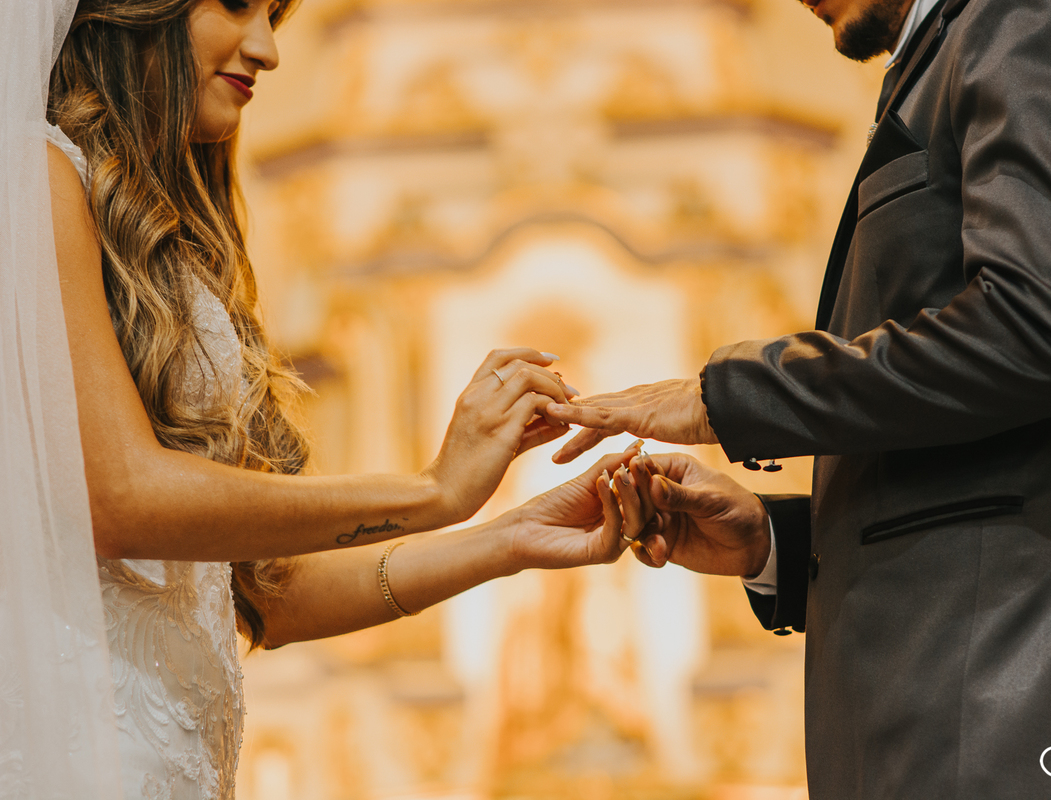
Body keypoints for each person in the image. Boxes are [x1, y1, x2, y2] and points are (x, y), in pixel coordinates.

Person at [547, 0, 1051, 797]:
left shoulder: (1039, 15)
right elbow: (988, 477)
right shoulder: (969, 40)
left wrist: (732, 399)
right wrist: (775, 545)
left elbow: (1045, 325)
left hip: (1043, 717)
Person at [1, 1, 639, 797]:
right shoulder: (30, 172)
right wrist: (432, 491)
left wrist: (506, 538)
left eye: (275, 14)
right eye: (238, 4)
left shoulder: (157, 228)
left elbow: (266, 594)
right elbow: (119, 495)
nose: (267, 49)